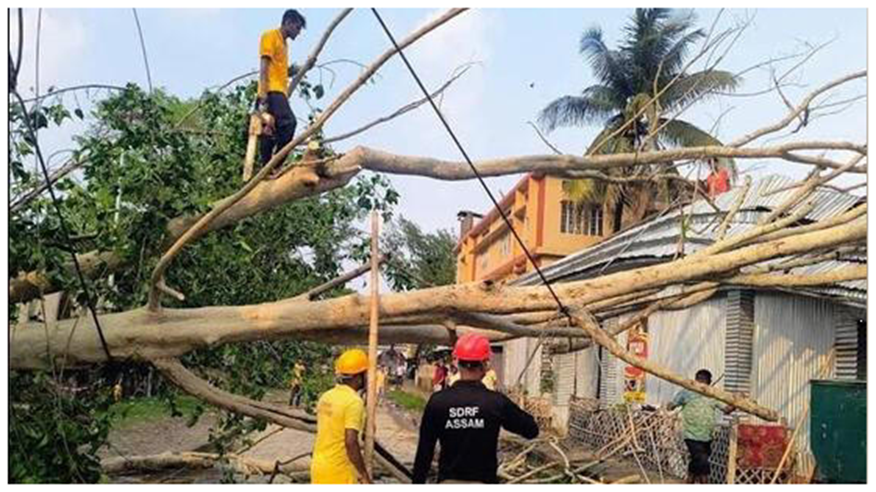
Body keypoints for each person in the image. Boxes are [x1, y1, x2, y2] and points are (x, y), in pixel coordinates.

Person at [412, 334, 539, 484]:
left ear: (457, 363)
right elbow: (531, 430)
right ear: (485, 364)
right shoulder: (496, 402)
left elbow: (424, 452)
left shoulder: (438, 401)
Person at [310, 349, 372, 484]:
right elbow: (350, 442)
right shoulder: (353, 402)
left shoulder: (326, 396)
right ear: (358, 377)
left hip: (318, 466)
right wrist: (364, 474)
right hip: (339, 471)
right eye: (366, 374)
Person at [666, 369, 736, 484]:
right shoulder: (686, 393)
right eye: (699, 379)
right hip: (690, 435)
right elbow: (672, 405)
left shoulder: (713, 395)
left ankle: (690, 482)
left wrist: (737, 403)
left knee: (696, 461)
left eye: (704, 380)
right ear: (695, 380)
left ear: (709, 382)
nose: (701, 382)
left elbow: (726, 410)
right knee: (703, 461)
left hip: (707, 436)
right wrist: (669, 406)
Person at [257, 9, 306, 169]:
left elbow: (282, 71)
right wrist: (263, 92)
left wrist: (302, 68)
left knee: (268, 130)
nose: (298, 33)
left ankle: (267, 168)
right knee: (289, 123)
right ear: (288, 23)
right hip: (271, 90)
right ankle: (275, 164)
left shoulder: (284, 45)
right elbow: (264, 65)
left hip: (279, 90)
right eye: (297, 28)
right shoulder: (270, 36)